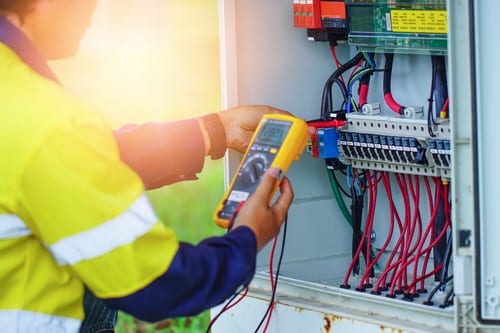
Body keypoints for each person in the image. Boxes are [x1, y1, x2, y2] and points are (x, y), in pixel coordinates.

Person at [0, 1, 295, 332]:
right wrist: (246, 238)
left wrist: (213, 131)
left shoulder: (19, 101)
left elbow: (70, 167)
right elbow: (156, 284)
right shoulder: (45, 122)